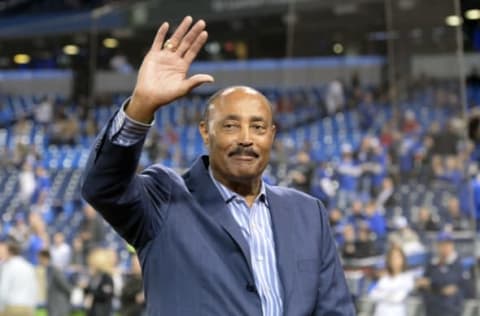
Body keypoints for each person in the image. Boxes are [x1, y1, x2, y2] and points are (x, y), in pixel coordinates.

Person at [81, 16, 354, 315]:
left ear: (272, 136)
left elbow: (334, 310)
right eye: (231, 126)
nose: (246, 139)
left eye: (258, 127)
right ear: (205, 132)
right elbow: (102, 187)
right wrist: (141, 106)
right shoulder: (164, 199)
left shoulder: (308, 213)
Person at [416, 232, 465, 316]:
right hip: (432, 309)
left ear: (452, 246)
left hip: (451, 310)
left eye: (447, 244)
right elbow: (422, 285)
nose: (444, 248)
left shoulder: (457, 263)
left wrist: (431, 283)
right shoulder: (432, 264)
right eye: (442, 245)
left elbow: (451, 281)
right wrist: (439, 288)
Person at [368, 247, 414, 316]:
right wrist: (389, 293)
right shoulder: (383, 278)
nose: (395, 260)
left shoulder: (408, 277)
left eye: (398, 257)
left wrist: (382, 293)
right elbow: (372, 294)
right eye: (392, 257)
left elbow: (398, 298)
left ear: (403, 259)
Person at [0, 240, 38, 316]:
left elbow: (3, 290)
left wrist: (1, 308)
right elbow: (34, 288)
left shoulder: (8, 266)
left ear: (9, 252)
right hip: (28, 307)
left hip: (12, 306)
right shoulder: (29, 267)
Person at [38, 249, 72, 316]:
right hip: (52, 307)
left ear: (45, 258)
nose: (39, 261)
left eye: (40, 259)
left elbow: (66, 287)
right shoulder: (47, 271)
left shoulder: (54, 271)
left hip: (59, 307)